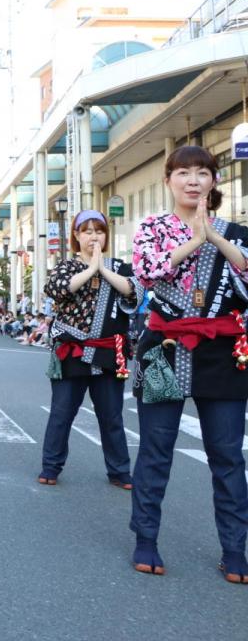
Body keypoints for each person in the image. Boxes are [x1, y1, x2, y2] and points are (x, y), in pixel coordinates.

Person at [130, 145, 248, 582]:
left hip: (221, 350)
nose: (192, 180)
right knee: (156, 450)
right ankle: (145, 538)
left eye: (202, 172)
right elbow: (146, 271)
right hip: (165, 347)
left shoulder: (235, 231)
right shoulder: (152, 227)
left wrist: (215, 239)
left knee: (227, 454)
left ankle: (235, 548)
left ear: (214, 181)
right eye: (183, 173)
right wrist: (194, 241)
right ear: (168, 181)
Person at [39, 209, 137, 490]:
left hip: (109, 352)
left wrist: (102, 268)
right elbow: (57, 289)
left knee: (112, 416)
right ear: (76, 235)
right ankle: (51, 466)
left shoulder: (119, 266)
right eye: (87, 231)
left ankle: (119, 471)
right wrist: (90, 270)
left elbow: (133, 292)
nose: (93, 236)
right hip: (72, 350)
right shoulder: (67, 266)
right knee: (62, 413)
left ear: (106, 235)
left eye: (99, 231)